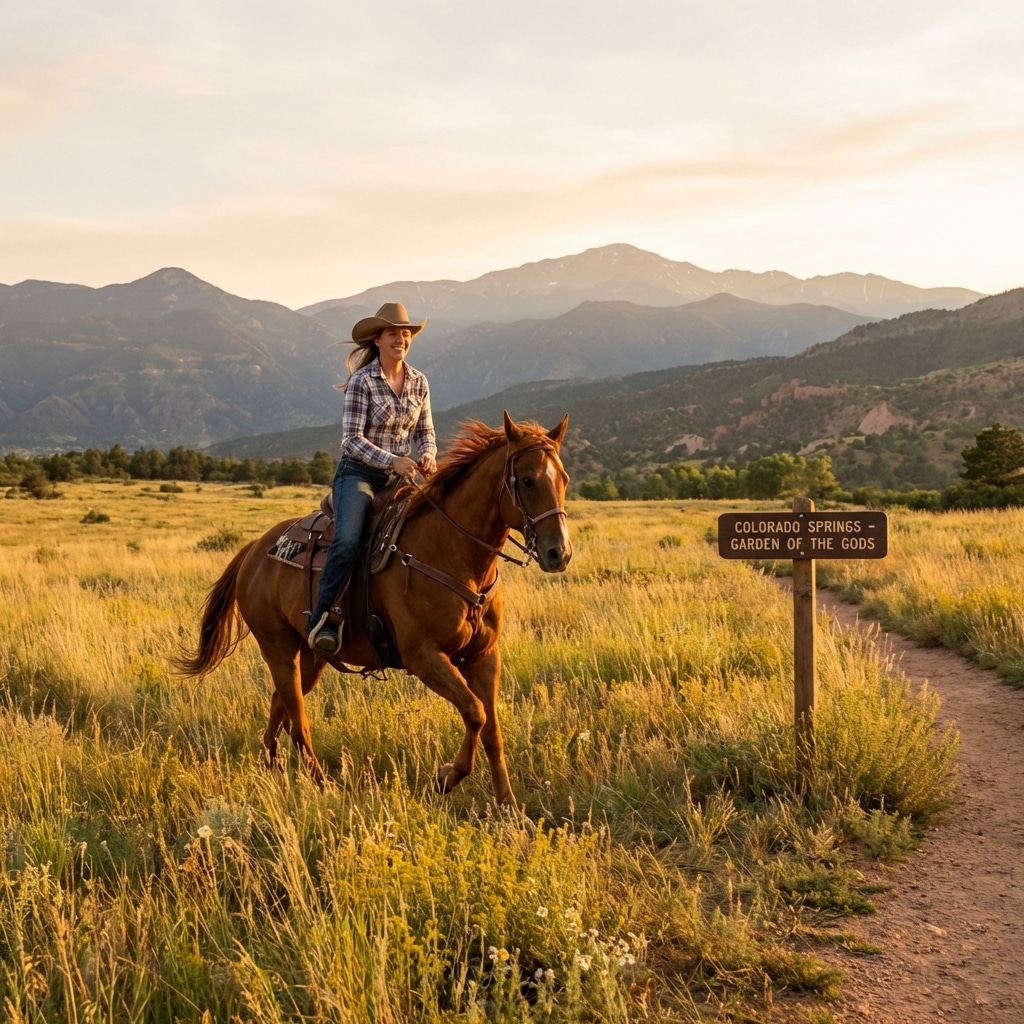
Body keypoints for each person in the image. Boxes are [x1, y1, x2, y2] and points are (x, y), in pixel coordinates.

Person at [307, 302, 437, 653]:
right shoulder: (362, 382)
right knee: (348, 540)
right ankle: (323, 619)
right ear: (377, 339)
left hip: (401, 477)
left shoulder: (419, 381)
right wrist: (392, 460)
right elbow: (350, 441)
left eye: (406, 333)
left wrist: (428, 453)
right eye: (393, 333)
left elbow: (425, 431)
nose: (401, 339)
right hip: (359, 475)